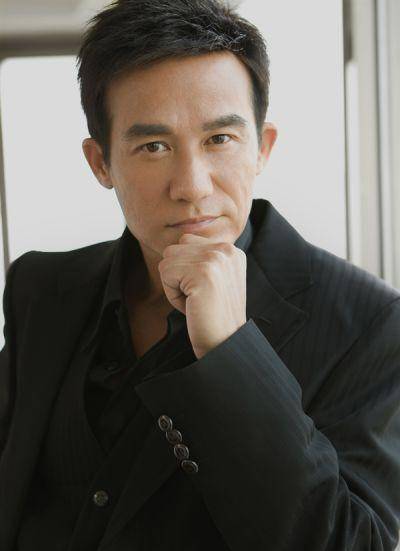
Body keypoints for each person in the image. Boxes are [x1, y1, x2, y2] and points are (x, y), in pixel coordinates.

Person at [0, 0, 400, 549]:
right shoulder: (41, 289)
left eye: (219, 140)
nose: (192, 185)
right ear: (101, 163)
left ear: (261, 147)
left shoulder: (370, 324)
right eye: (154, 146)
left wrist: (231, 351)